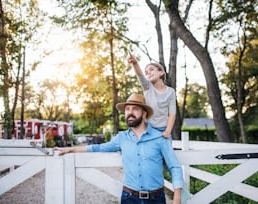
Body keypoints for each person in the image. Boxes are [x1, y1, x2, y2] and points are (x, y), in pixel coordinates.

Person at [55, 93, 184, 204]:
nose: (130, 112)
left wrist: (177, 198)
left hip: (156, 199)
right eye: (127, 109)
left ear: (144, 114)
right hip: (129, 198)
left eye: (134, 109)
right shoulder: (121, 138)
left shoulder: (160, 138)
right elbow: (99, 147)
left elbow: (174, 167)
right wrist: (71, 149)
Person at [127, 52, 176, 139]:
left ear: (161, 72)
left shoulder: (171, 92)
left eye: (151, 69)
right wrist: (135, 63)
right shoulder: (147, 87)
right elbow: (140, 76)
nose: (148, 73)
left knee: (166, 152)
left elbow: (172, 113)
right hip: (148, 129)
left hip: (163, 130)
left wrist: (168, 131)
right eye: (147, 72)